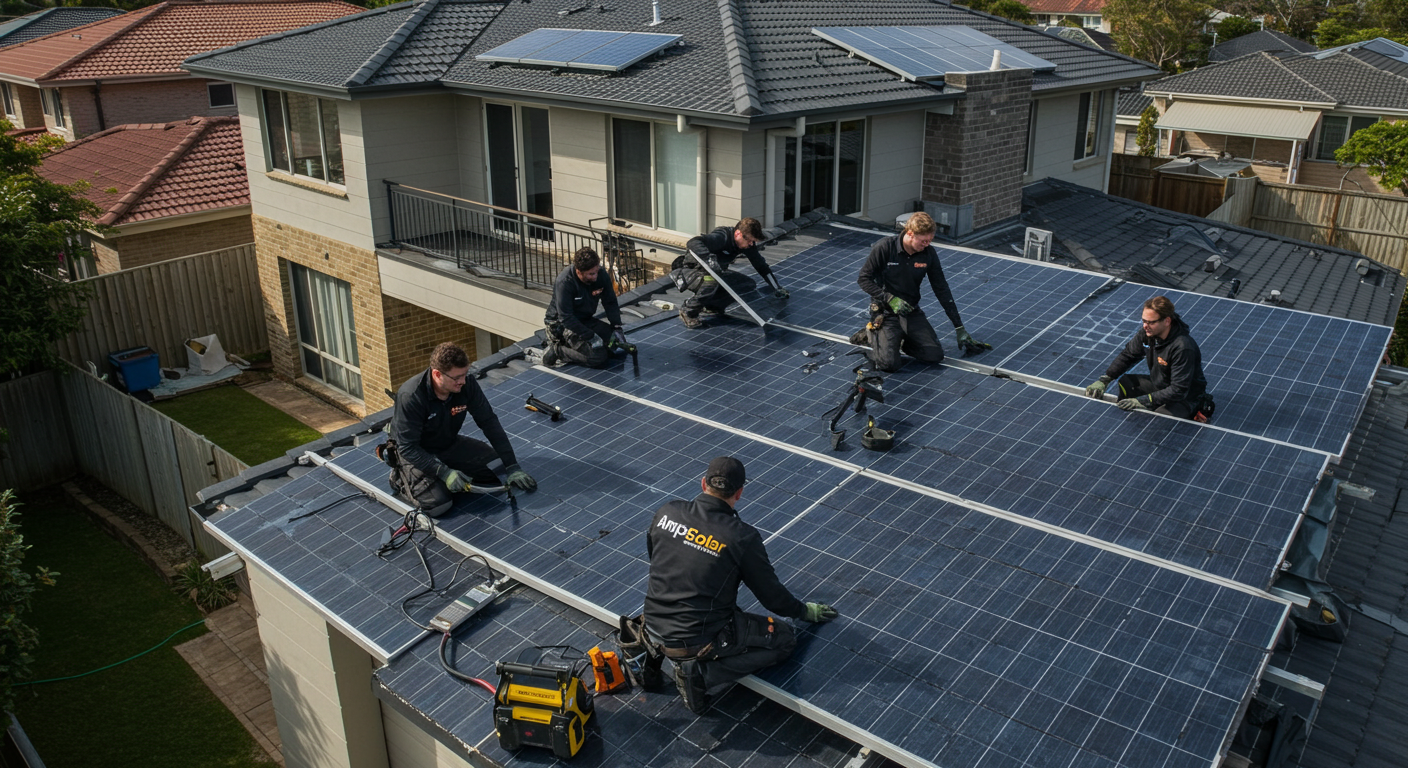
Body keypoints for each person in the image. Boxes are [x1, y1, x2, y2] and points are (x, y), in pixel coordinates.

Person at [642, 457, 837, 714]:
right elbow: (771, 597)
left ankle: (660, 656)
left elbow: (654, 556)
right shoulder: (741, 537)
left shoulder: (667, 511)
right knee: (785, 640)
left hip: (652, 623)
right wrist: (803, 611)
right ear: (740, 493)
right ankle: (701, 674)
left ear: (703, 483)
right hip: (697, 638)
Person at [384, 342, 537, 517]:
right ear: (437, 374)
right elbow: (408, 447)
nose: (463, 381)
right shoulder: (411, 396)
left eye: (465, 374)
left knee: (497, 470)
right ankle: (400, 479)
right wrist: (444, 472)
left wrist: (512, 465)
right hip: (415, 453)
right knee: (438, 504)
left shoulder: (467, 384)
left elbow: (488, 422)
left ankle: (443, 474)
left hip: (447, 444)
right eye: (457, 377)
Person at [854, 212, 990, 372]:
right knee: (889, 365)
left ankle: (900, 341)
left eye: (930, 240)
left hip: (911, 311)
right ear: (910, 234)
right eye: (924, 240)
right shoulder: (885, 248)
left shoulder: (928, 254)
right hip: (886, 313)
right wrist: (889, 298)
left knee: (934, 355)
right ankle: (873, 336)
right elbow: (863, 279)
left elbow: (941, 288)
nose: (927, 244)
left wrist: (959, 327)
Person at [1084, 295, 1210, 419]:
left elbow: (1178, 389)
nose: (1145, 326)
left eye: (1151, 322)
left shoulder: (1182, 347)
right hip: (1161, 386)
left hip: (1185, 397)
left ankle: (1198, 407)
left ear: (1167, 321)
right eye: (1144, 321)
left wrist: (1144, 400)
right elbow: (1128, 355)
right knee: (1127, 383)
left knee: (1161, 418)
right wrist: (1105, 379)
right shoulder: (1147, 334)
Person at [673, 217, 788, 329]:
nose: (751, 244)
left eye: (753, 242)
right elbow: (693, 242)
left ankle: (712, 306)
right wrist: (709, 259)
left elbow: (761, 266)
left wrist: (776, 287)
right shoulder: (722, 236)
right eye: (749, 240)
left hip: (715, 275)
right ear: (738, 233)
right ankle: (688, 311)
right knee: (711, 281)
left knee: (747, 284)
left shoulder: (747, 246)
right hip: (690, 272)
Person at [542, 247, 627, 368]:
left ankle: (579, 348)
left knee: (613, 345)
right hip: (561, 325)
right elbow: (565, 318)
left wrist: (616, 326)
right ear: (578, 272)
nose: (595, 277)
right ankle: (558, 350)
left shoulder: (601, 275)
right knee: (597, 357)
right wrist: (591, 336)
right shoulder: (565, 282)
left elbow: (610, 302)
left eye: (596, 271)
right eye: (591, 274)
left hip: (584, 320)